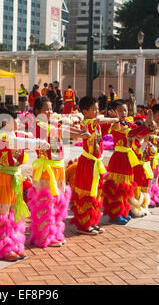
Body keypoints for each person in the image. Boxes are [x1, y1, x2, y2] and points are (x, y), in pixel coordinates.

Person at [0, 105, 48, 261]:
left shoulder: (13, 133)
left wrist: (38, 137)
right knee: (2, 214)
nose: (18, 123)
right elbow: (17, 142)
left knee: (14, 214)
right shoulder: (2, 135)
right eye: (15, 120)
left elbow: (25, 137)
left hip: (15, 178)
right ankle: (1, 248)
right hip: (3, 179)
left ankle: (13, 245)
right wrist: (38, 143)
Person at [27, 96, 91, 248]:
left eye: (50, 109)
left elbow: (64, 128)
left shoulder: (50, 124)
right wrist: (80, 134)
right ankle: (43, 236)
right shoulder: (40, 125)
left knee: (56, 202)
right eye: (45, 109)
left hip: (57, 168)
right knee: (46, 203)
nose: (49, 112)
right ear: (37, 112)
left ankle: (53, 232)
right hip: (46, 170)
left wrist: (80, 132)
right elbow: (61, 131)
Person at [70, 96, 119, 235]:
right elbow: (99, 120)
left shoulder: (96, 125)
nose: (97, 111)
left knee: (96, 193)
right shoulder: (89, 122)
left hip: (95, 164)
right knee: (87, 193)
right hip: (88, 164)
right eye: (94, 109)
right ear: (85, 112)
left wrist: (114, 122)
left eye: (97, 108)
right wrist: (115, 119)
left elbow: (104, 127)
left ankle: (92, 221)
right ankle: (83, 224)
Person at [101, 99, 153, 225]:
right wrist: (146, 126)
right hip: (119, 158)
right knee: (117, 187)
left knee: (126, 187)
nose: (124, 112)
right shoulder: (115, 125)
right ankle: (115, 213)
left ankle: (123, 211)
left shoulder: (128, 124)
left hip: (128, 159)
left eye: (125, 110)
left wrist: (149, 125)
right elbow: (131, 134)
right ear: (113, 112)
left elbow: (139, 131)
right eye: (120, 110)